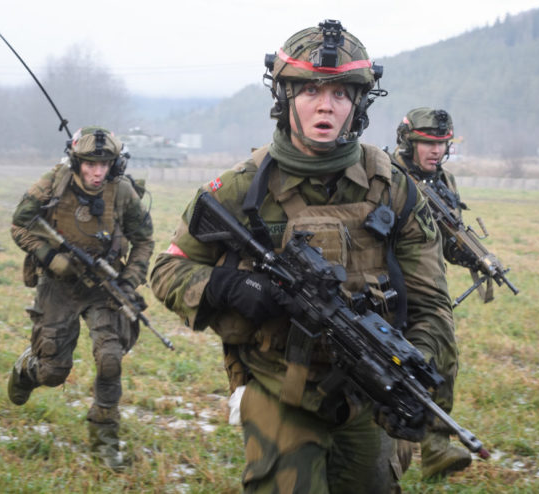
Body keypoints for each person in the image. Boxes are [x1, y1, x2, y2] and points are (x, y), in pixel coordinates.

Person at [150, 20, 458, 493]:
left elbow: (431, 303)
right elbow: (167, 269)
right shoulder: (238, 188)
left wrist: (413, 369)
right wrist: (230, 286)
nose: (325, 105)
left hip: (370, 389)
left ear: (358, 103)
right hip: (278, 387)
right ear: (285, 96)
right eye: (311, 90)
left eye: (340, 93)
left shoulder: (395, 189)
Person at [6, 126, 154, 471]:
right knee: (54, 371)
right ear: (76, 161)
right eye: (89, 164)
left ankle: (105, 441)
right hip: (58, 285)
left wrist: (129, 281)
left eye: (104, 164)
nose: (97, 172)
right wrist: (49, 256)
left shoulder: (123, 192)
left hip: (104, 284)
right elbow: (20, 225)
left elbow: (144, 240)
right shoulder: (52, 183)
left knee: (110, 358)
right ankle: (27, 369)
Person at [390, 108, 474, 479]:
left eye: (442, 143)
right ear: (409, 142)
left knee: (443, 359)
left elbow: (446, 246)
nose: (436, 150)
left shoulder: (445, 183)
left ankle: (436, 447)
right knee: (392, 367)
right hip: (388, 285)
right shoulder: (385, 175)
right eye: (427, 142)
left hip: (429, 287)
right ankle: (387, 459)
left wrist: (470, 252)